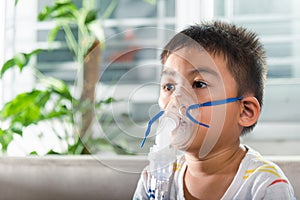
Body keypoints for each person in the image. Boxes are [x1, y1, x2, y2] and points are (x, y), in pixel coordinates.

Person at [133, 21, 296, 200]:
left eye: (198, 84)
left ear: (245, 112)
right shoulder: (153, 179)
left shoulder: (265, 185)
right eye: (169, 86)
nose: (176, 99)